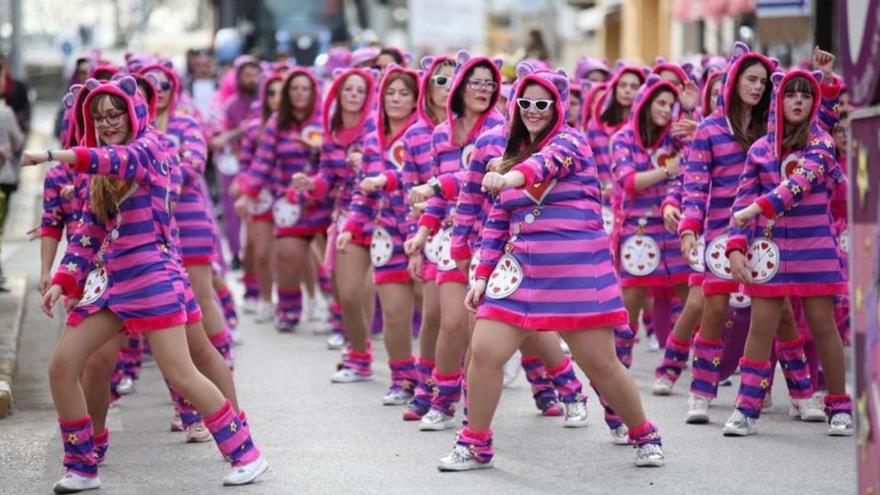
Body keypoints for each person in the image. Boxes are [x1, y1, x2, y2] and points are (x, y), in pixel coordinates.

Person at [23, 76, 267, 492]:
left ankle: (245, 453)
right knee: (63, 366)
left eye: (114, 114)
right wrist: (63, 280)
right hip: (109, 283)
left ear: (133, 112)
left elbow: (117, 161)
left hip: (154, 276)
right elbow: (88, 232)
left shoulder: (151, 147)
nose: (107, 123)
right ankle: (83, 466)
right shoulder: (95, 168)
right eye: (98, 118)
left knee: (182, 370)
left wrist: (50, 154)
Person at [437, 66, 664, 471]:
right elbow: (496, 224)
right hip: (519, 272)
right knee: (485, 353)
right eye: (525, 103)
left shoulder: (570, 142)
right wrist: (482, 276)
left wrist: (510, 178)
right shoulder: (508, 151)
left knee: (601, 364)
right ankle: (474, 443)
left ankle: (643, 433)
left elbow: (545, 165)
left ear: (556, 105)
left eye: (542, 103)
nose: (533, 110)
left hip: (576, 274)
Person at [723, 67, 854, 437]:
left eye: (806, 95)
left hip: (816, 249)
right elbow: (741, 201)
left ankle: (839, 407)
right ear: (779, 101)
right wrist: (735, 248)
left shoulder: (823, 143)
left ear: (814, 103)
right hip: (772, 252)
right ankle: (746, 408)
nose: (798, 100)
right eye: (791, 94)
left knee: (823, 326)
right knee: (761, 326)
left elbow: (802, 181)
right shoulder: (760, 150)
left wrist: (759, 208)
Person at [337, 65, 421, 403]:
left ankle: (441, 377)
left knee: (436, 313)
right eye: (391, 93)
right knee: (395, 314)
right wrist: (352, 226)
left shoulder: (423, 134)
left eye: (404, 93)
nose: (396, 99)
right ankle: (402, 378)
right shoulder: (373, 139)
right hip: (387, 234)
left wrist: (387, 181)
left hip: (423, 233)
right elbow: (364, 192)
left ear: (417, 99)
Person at [211, 55, 262, 269]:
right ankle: (235, 254)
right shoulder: (230, 104)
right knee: (233, 212)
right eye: (246, 75)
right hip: (234, 164)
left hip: (261, 164)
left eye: (255, 75)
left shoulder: (266, 101)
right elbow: (219, 135)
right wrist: (239, 133)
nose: (251, 79)